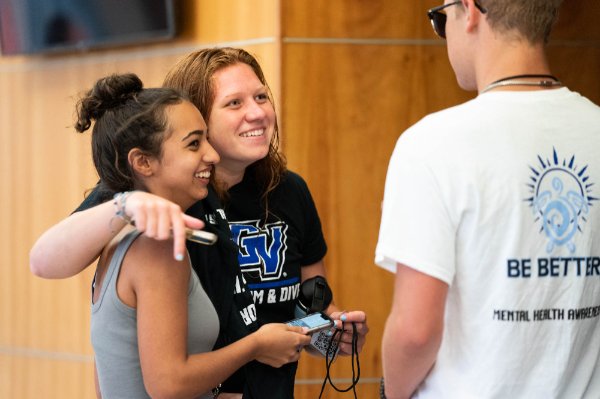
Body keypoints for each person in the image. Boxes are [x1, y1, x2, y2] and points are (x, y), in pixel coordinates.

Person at [30, 48, 368, 397]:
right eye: (234, 103)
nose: (257, 112)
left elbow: (310, 306)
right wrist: (127, 204)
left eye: (261, 96)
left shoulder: (290, 190)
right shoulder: (150, 200)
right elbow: (44, 260)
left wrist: (330, 335)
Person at [376, 1, 600, 398]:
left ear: (469, 9)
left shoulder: (432, 146)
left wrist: (391, 394)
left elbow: (415, 333)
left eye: (440, 19)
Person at [68, 72, 311, 398]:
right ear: (143, 162)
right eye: (195, 143)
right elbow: (169, 383)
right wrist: (257, 345)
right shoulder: (159, 249)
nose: (211, 155)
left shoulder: (118, 237)